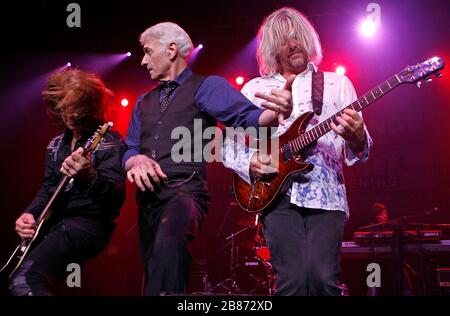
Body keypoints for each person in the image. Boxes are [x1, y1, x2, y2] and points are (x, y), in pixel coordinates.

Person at [123, 22, 293, 296]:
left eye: (147, 51)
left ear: (171, 50)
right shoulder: (143, 102)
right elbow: (129, 149)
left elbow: (249, 118)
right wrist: (135, 161)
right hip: (147, 203)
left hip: (184, 193)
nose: (142, 61)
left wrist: (276, 111)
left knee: (169, 250)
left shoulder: (205, 86)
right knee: (154, 271)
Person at [223, 7, 373, 295]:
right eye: (284, 40)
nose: (293, 44)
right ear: (271, 49)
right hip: (275, 196)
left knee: (322, 280)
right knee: (290, 284)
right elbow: (227, 144)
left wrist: (357, 138)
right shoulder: (254, 89)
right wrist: (251, 161)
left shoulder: (336, 84)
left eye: (298, 36)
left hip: (326, 197)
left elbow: (360, 150)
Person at [9, 69, 127, 296]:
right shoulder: (55, 145)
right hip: (55, 226)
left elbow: (116, 198)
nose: (71, 116)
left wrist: (89, 176)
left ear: (91, 107)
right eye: (66, 109)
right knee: (21, 278)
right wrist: (30, 214)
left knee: (25, 280)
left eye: (77, 109)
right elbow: (48, 187)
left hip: (87, 225)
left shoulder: (109, 142)